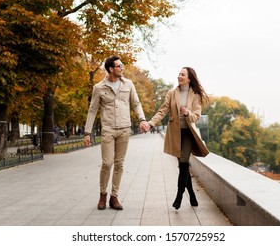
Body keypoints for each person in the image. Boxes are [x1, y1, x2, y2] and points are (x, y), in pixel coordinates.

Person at [83, 55, 150, 210]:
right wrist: (87, 133)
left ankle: (114, 197)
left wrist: (142, 119)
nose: (122, 68)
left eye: (122, 65)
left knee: (119, 164)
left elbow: (136, 103)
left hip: (124, 129)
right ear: (111, 69)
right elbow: (92, 110)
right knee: (107, 163)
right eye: (119, 66)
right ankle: (102, 195)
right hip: (108, 129)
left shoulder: (128, 84)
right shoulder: (99, 88)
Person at [147, 67, 210, 210]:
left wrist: (188, 113)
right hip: (175, 134)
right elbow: (162, 110)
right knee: (183, 166)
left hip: (188, 133)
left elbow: (196, 117)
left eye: (182, 74)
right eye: (179, 74)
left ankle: (179, 197)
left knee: (183, 162)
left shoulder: (195, 95)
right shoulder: (171, 93)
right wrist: (151, 123)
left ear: (189, 78)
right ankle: (192, 194)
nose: (179, 76)